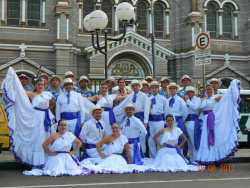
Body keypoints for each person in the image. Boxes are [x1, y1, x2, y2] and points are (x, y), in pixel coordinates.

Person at [4, 67, 56, 168]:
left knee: (46, 136)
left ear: (44, 85)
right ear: (35, 85)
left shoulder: (47, 94)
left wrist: (48, 111)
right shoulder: (32, 94)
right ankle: (36, 161)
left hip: (46, 117)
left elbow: (52, 104)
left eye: (42, 84)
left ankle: (46, 160)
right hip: (36, 118)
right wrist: (15, 78)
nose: (40, 86)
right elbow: (20, 93)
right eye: (39, 84)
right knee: (38, 138)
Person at [23, 119, 90, 176]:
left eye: (65, 125)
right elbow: (44, 144)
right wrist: (50, 153)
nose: (63, 127)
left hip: (67, 156)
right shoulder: (54, 135)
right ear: (58, 126)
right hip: (57, 157)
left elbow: (79, 143)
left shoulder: (70, 135)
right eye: (61, 125)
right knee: (56, 169)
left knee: (73, 170)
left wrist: (73, 151)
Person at [195, 80, 240, 164]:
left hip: (213, 119)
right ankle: (206, 157)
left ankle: (216, 157)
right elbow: (200, 110)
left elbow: (227, 99)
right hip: (205, 120)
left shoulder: (217, 97)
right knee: (205, 138)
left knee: (214, 137)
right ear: (205, 91)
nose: (208, 91)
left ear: (213, 90)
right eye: (207, 89)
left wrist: (232, 88)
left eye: (210, 89)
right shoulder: (203, 99)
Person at [80, 123, 149, 174]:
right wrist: (102, 155)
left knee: (121, 168)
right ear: (111, 129)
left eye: (116, 128)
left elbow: (128, 151)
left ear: (119, 129)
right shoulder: (108, 137)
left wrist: (129, 162)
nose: (115, 129)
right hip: (110, 156)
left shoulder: (123, 138)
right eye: (113, 128)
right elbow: (98, 144)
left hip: (119, 157)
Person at [114, 80, 150, 154]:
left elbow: (146, 109)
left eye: (136, 85)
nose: (135, 87)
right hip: (131, 117)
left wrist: (145, 122)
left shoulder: (144, 96)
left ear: (139, 86)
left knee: (141, 137)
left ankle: (141, 153)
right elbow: (124, 104)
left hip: (140, 117)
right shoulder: (130, 95)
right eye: (133, 86)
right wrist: (115, 110)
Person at [56, 78, 85, 159]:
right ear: (64, 86)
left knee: (75, 139)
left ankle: (76, 158)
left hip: (75, 121)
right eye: (67, 85)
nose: (68, 86)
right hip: (64, 121)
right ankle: (64, 158)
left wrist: (81, 121)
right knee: (64, 139)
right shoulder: (60, 97)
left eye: (70, 85)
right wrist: (59, 122)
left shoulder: (78, 96)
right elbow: (57, 111)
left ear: (72, 86)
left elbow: (82, 110)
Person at [148, 81, 169, 159]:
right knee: (151, 140)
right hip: (151, 121)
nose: (154, 89)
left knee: (160, 139)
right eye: (152, 88)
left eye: (156, 88)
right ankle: (153, 157)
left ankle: (160, 157)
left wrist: (166, 123)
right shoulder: (148, 99)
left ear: (158, 89)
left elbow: (166, 111)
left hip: (160, 121)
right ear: (150, 89)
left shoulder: (163, 99)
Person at [166, 82, 188, 154]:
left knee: (179, 137)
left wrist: (180, 120)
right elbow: (166, 111)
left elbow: (185, 112)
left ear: (176, 90)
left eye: (174, 89)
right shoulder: (167, 100)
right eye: (171, 89)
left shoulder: (180, 100)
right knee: (170, 137)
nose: (172, 90)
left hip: (177, 120)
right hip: (169, 121)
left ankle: (180, 153)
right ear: (169, 90)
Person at [183, 86, 201, 162]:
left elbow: (195, 107)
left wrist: (187, 101)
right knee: (189, 141)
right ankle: (191, 158)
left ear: (193, 93)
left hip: (192, 121)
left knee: (194, 141)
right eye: (187, 92)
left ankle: (196, 158)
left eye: (189, 92)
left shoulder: (197, 99)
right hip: (186, 121)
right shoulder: (186, 100)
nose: (188, 94)